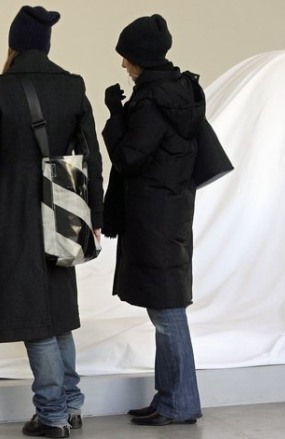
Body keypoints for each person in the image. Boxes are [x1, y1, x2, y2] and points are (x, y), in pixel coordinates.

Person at [0, 6, 103, 438]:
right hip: (63, 208)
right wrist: (94, 216)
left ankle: (52, 414)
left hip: (13, 214)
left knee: (32, 313)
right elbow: (93, 157)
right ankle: (71, 405)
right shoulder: (72, 85)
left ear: (14, 44)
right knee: (57, 312)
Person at [101, 14, 204, 426]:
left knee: (167, 313)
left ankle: (181, 404)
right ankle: (168, 398)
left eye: (127, 57)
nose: (124, 64)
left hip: (152, 217)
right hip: (171, 212)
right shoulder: (180, 92)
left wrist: (115, 116)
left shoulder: (151, 100)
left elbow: (130, 157)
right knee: (165, 310)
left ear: (140, 57)